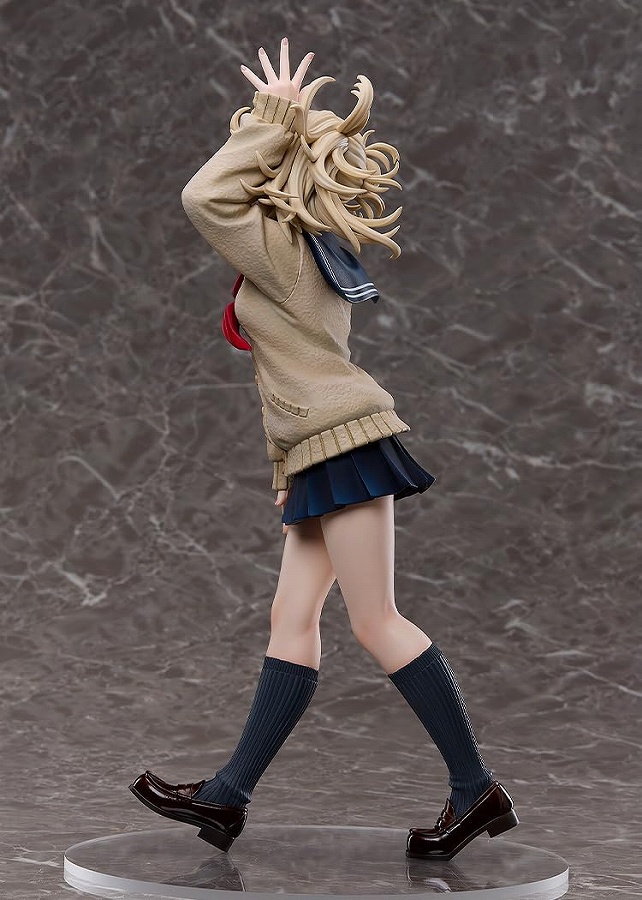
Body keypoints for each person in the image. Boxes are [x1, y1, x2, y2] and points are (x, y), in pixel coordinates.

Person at [129, 37, 518, 861]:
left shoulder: (283, 251)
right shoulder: (308, 251)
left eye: (261, 146)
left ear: (279, 159)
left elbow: (204, 195)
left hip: (344, 447)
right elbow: (296, 377)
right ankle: (228, 797)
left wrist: (275, 114)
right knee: (292, 617)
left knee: (376, 621)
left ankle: (475, 789)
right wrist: (288, 468)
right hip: (322, 451)